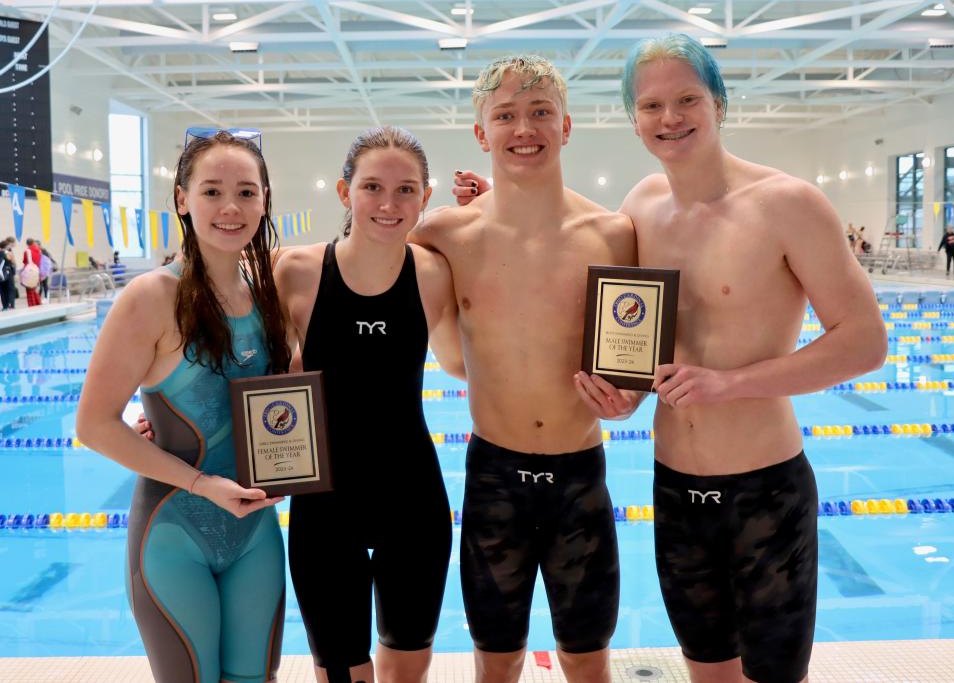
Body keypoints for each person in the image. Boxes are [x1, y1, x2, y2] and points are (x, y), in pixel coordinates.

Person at [607, 34, 885, 683]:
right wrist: (624, 391)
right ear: (634, 118)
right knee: (708, 674)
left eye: (686, 99)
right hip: (675, 489)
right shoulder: (640, 207)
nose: (669, 118)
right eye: (651, 105)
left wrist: (730, 383)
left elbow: (866, 338)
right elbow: (631, 340)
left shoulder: (787, 204)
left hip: (766, 491)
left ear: (719, 103)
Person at [412, 55, 637, 683]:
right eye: (505, 115)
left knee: (589, 661)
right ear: (481, 135)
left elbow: (642, 349)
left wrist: (635, 399)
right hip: (494, 479)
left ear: (566, 126)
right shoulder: (444, 235)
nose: (524, 128)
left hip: (580, 480)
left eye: (540, 112)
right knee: (497, 662)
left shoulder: (614, 235)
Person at [76, 130, 290, 683]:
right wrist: (201, 483)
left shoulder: (267, 294)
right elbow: (94, 425)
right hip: (174, 534)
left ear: (265, 200)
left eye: (247, 192)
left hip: (256, 535)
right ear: (181, 199)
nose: (230, 208)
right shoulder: (149, 298)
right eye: (212, 191)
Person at [274, 126, 462, 683]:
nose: (389, 203)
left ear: (426, 198)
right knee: (341, 675)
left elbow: (461, 364)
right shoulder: (297, 271)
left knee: (406, 674)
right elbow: (254, 371)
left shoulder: (433, 273)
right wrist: (167, 420)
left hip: (415, 503)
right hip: (325, 508)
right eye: (373, 187)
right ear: (343, 192)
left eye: (407, 190)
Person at [21, 237, 42, 306]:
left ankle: (32, 304)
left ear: (27, 243)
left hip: (30, 271)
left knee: (29, 289)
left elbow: (24, 261)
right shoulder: (38, 250)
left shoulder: (27, 251)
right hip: (37, 270)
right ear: (33, 242)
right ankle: (38, 302)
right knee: (34, 288)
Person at [0, 242, 17, 310]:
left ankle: (5, 306)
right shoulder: (8, 253)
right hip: (8, 272)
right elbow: (14, 262)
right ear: (6, 246)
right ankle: (11, 304)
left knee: (2, 290)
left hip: (0, 274)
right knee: (10, 289)